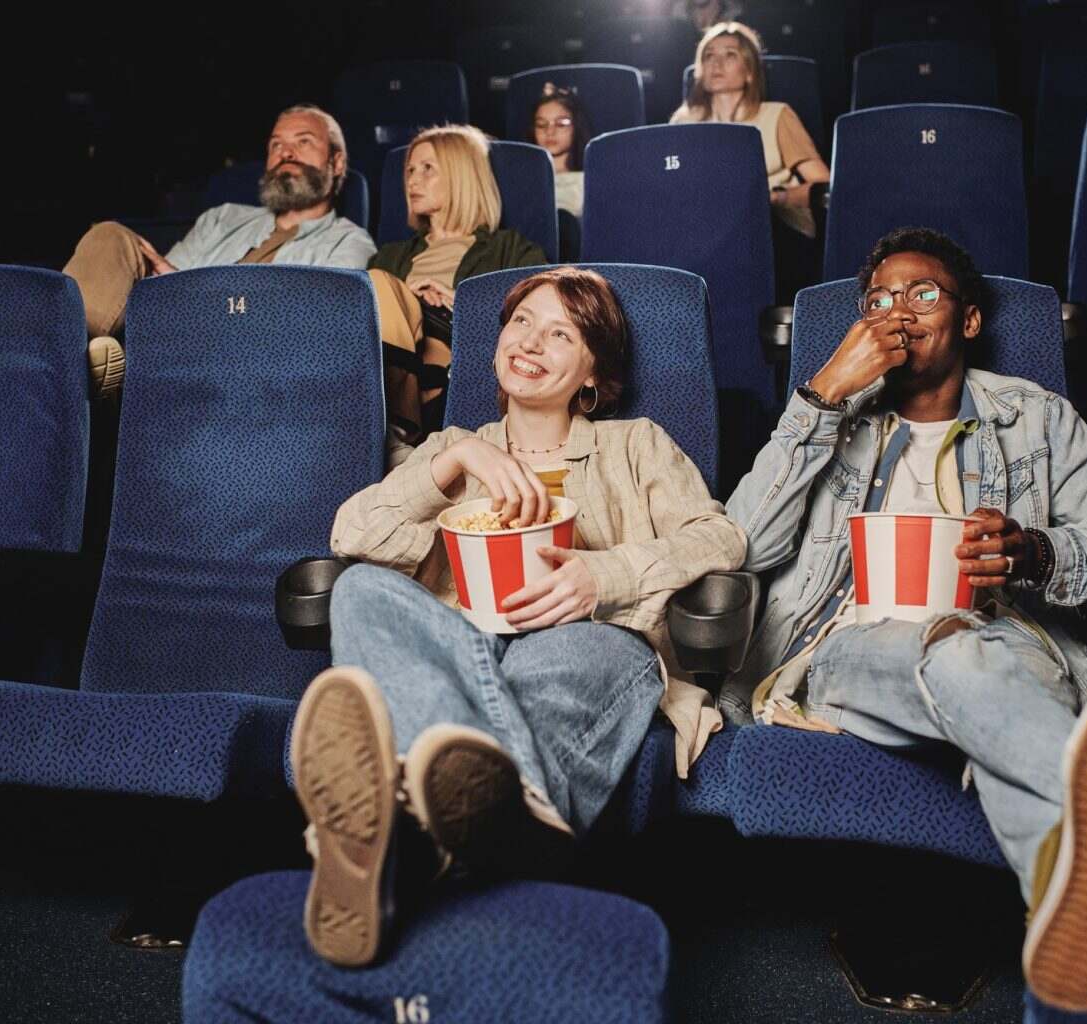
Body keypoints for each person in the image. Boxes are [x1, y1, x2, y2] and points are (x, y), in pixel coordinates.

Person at [722, 226, 1087, 1012]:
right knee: (951, 648)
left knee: (979, 655)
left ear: (968, 321)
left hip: (1015, 648)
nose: (898, 309)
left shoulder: (1036, 418)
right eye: (879, 298)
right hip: (850, 655)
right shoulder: (833, 415)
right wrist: (823, 397)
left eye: (924, 293)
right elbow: (744, 546)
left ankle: (1072, 903)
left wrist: (1039, 553)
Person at [291, 267, 746, 966]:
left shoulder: (638, 444)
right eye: (522, 321)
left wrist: (605, 574)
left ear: (593, 375)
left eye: (562, 333)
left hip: (590, 642)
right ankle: (519, 825)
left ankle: (404, 849)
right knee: (358, 592)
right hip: (461, 644)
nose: (532, 341)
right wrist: (457, 458)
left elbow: (721, 539)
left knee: (566, 655)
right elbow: (351, 534)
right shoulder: (450, 450)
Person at [63, 104, 376, 390]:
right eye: (276, 145)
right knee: (111, 233)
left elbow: (309, 320)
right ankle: (69, 347)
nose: (286, 153)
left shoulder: (350, 241)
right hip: (169, 332)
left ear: (336, 163)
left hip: (245, 353)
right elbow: (157, 290)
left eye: (303, 141)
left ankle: (75, 365)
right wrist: (174, 288)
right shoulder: (223, 217)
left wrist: (191, 290)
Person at [367, 124, 547, 445]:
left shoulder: (510, 249)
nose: (412, 180)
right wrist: (406, 299)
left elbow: (540, 315)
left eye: (427, 169)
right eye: (409, 170)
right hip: (404, 354)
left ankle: (396, 430)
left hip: (460, 345)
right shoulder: (390, 255)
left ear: (460, 175)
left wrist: (464, 305)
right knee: (376, 284)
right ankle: (402, 427)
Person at [669, 21, 829, 300]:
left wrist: (774, 198)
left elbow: (824, 186)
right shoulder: (684, 120)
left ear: (750, 72)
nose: (717, 62)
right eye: (709, 55)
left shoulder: (776, 114)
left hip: (773, 225)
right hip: (702, 225)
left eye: (730, 54)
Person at [529, 84, 591, 219]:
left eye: (561, 124)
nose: (549, 132)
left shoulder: (591, 180)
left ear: (576, 127)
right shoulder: (523, 179)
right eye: (541, 125)